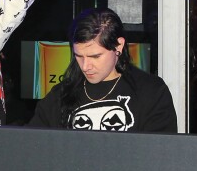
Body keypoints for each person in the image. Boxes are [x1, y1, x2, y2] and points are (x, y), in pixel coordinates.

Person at [28, 7, 178, 132]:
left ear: (118, 46)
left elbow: (160, 157)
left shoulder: (151, 92)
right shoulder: (59, 96)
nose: (85, 66)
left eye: (95, 56)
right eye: (79, 56)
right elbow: (32, 147)